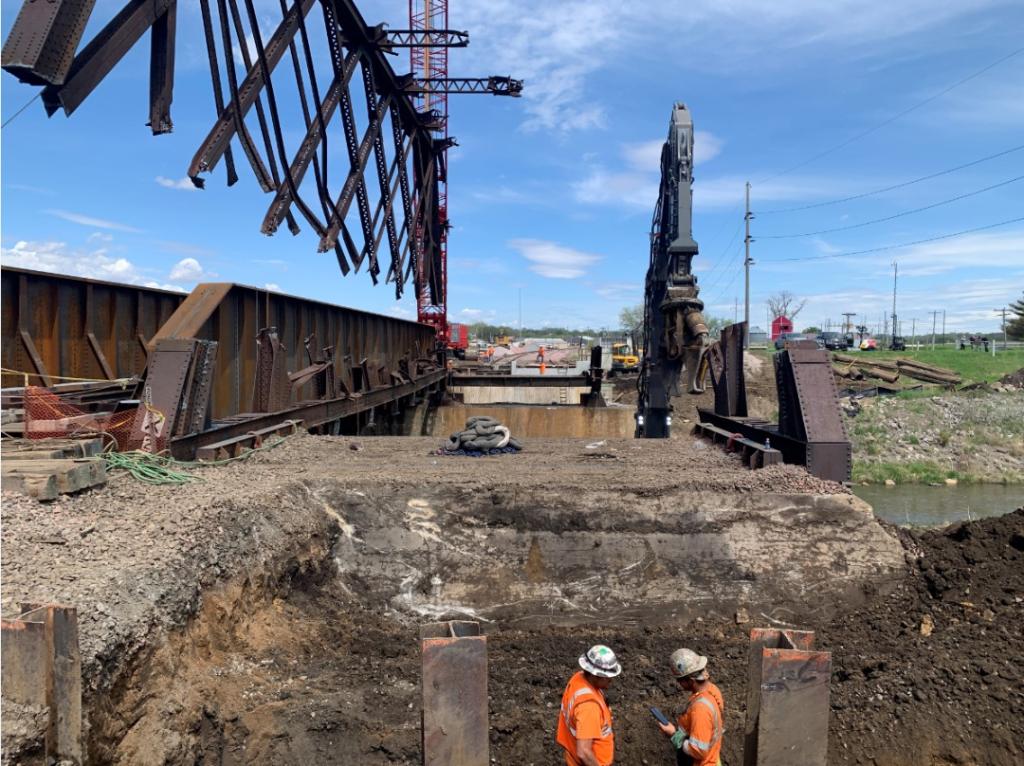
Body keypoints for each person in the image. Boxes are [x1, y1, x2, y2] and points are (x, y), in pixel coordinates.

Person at [656, 648, 724, 766]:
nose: (679, 684)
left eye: (680, 681)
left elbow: (699, 750)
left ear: (691, 681)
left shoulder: (700, 709)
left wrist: (673, 734)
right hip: (713, 758)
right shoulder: (712, 689)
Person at [556, 644, 621, 766]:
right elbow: (584, 752)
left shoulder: (578, 679)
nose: (611, 680)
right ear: (595, 675)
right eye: (607, 677)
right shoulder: (589, 707)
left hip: (571, 756)